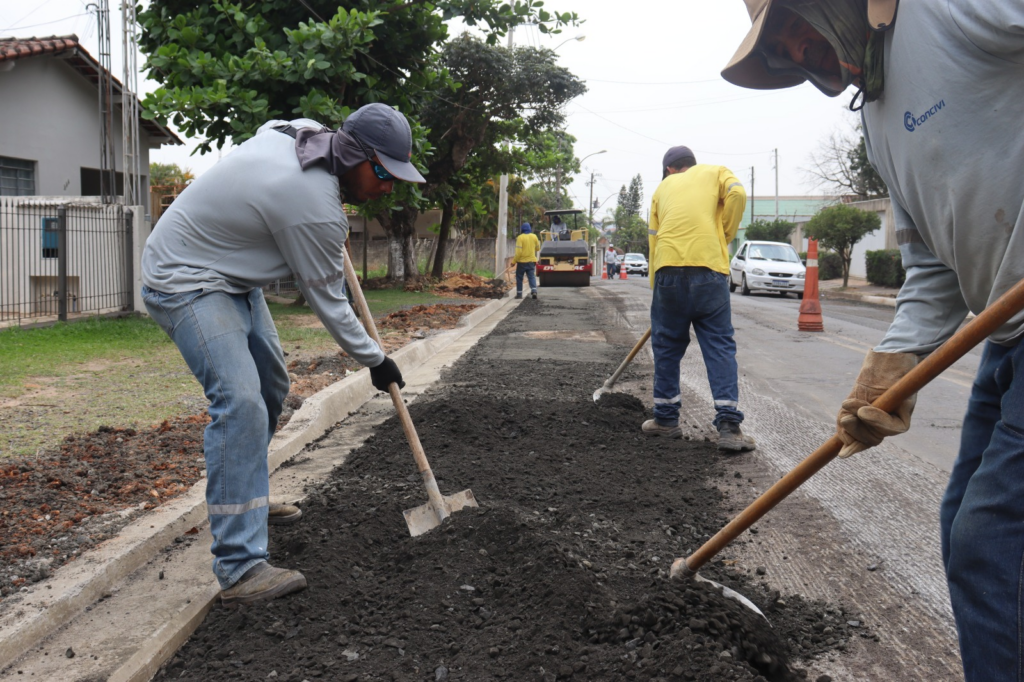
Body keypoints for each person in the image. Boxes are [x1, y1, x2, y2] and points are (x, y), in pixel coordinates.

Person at [723, 1, 1024, 677]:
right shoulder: (877, 123)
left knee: (992, 544)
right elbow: (932, 269)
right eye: (780, 47)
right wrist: (892, 365)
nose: (797, 50)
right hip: (1009, 339)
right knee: (961, 526)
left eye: (796, 22)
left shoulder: (952, 10)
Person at [141, 103, 424, 606]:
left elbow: (268, 128)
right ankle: (240, 566)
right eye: (382, 172)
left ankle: (246, 491)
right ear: (353, 154)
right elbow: (332, 308)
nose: (388, 187)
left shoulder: (307, 135)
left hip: (232, 275)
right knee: (240, 400)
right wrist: (377, 361)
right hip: (185, 277)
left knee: (272, 386)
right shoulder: (312, 204)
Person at [644, 146, 756, 452]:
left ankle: (666, 420)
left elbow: (654, 240)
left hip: (667, 271)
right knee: (719, 345)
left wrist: (659, 293)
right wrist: (723, 234)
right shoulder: (716, 171)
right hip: (708, 270)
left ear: (668, 169)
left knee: (666, 347)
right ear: (691, 164)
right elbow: (737, 194)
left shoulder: (661, 189)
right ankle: (730, 427)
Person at [513, 222, 541, 299]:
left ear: (522, 229)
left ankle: (519, 294)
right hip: (531, 262)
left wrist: (513, 262)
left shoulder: (520, 237)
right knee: (531, 276)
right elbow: (538, 248)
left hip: (521, 262)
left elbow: (518, 252)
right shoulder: (534, 236)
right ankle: (534, 291)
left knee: (519, 278)